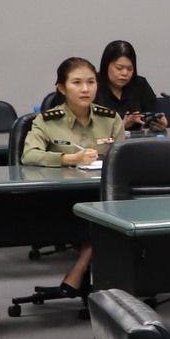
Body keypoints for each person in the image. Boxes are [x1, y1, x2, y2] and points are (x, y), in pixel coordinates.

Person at [20, 56, 126, 294]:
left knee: (109, 217)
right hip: (64, 199)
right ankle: (92, 281)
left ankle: (81, 275)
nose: (85, 89)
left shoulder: (110, 119)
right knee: (103, 222)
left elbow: (124, 157)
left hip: (104, 195)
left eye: (91, 82)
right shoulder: (47, 121)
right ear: (61, 88)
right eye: (77, 83)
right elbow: (29, 155)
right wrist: (68, 159)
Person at [95, 40, 164, 132]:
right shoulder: (92, 85)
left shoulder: (140, 84)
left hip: (138, 139)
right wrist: (121, 126)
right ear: (106, 65)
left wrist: (160, 123)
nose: (125, 73)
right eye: (119, 68)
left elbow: (155, 113)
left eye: (130, 69)